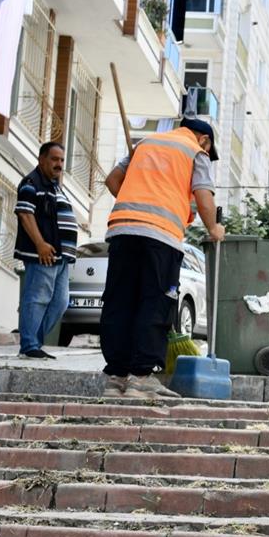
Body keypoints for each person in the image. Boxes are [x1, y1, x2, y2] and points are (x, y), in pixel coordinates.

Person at [102, 118, 225, 399]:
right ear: (204, 139)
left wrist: (143, 199)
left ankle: (116, 378)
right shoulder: (196, 152)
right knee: (154, 302)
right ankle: (141, 377)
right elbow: (204, 197)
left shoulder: (146, 144)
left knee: (120, 302)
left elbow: (113, 181)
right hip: (160, 236)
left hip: (122, 229)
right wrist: (214, 229)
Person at [14, 141, 76, 359]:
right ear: (41, 159)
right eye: (54, 159)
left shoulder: (53, 185)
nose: (59, 164)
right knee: (37, 297)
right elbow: (25, 214)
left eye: (61, 160)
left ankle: (34, 342)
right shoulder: (32, 183)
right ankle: (29, 345)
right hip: (43, 254)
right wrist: (40, 243)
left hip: (61, 257)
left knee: (60, 302)